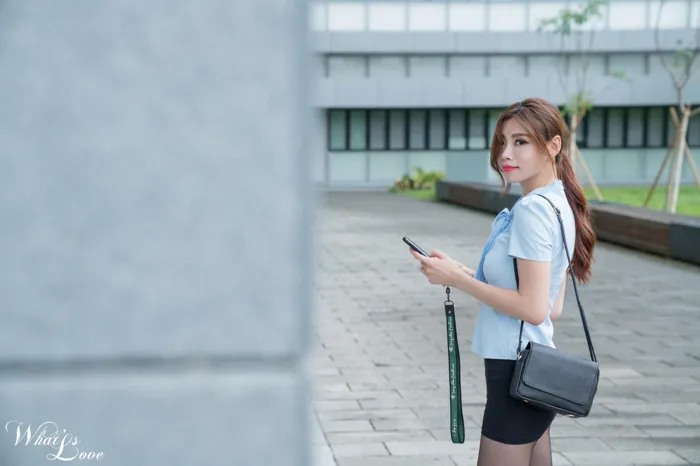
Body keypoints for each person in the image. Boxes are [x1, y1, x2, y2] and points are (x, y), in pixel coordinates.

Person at [409, 97, 596, 466]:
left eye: (521, 142)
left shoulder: (532, 211)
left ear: (553, 146)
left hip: (515, 372)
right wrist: (460, 273)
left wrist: (460, 283)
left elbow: (532, 308)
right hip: (532, 371)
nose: (504, 154)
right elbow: (550, 306)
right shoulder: (559, 204)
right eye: (502, 142)